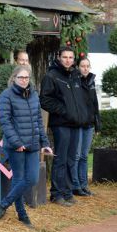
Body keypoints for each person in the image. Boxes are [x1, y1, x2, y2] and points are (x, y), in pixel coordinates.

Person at [0, 65, 52, 228]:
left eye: (26, 77)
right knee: (19, 179)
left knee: (31, 178)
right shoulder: (6, 95)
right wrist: (17, 143)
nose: (24, 80)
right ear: (14, 79)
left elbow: (38, 121)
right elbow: (5, 121)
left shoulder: (33, 95)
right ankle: (22, 216)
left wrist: (44, 143)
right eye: (21, 78)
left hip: (32, 145)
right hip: (15, 146)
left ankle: (2, 204)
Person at [40, 46, 89, 207]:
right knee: (60, 159)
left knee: (71, 159)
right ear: (59, 58)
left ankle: (67, 192)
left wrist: (81, 116)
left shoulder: (75, 75)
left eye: (70, 57)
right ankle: (56, 194)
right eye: (65, 57)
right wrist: (64, 111)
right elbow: (45, 100)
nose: (68, 60)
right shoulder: (52, 76)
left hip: (75, 124)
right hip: (61, 124)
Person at [71, 58, 100, 197]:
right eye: (83, 66)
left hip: (88, 124)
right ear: (78, 67)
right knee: (76, 156)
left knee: (84, 156)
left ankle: (83, 185)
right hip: (77, 125)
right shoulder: (74, 81)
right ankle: (75, 185)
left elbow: (95, 103)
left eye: (88, 66)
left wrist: (97, 124)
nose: (85, 68)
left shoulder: (91, 81)